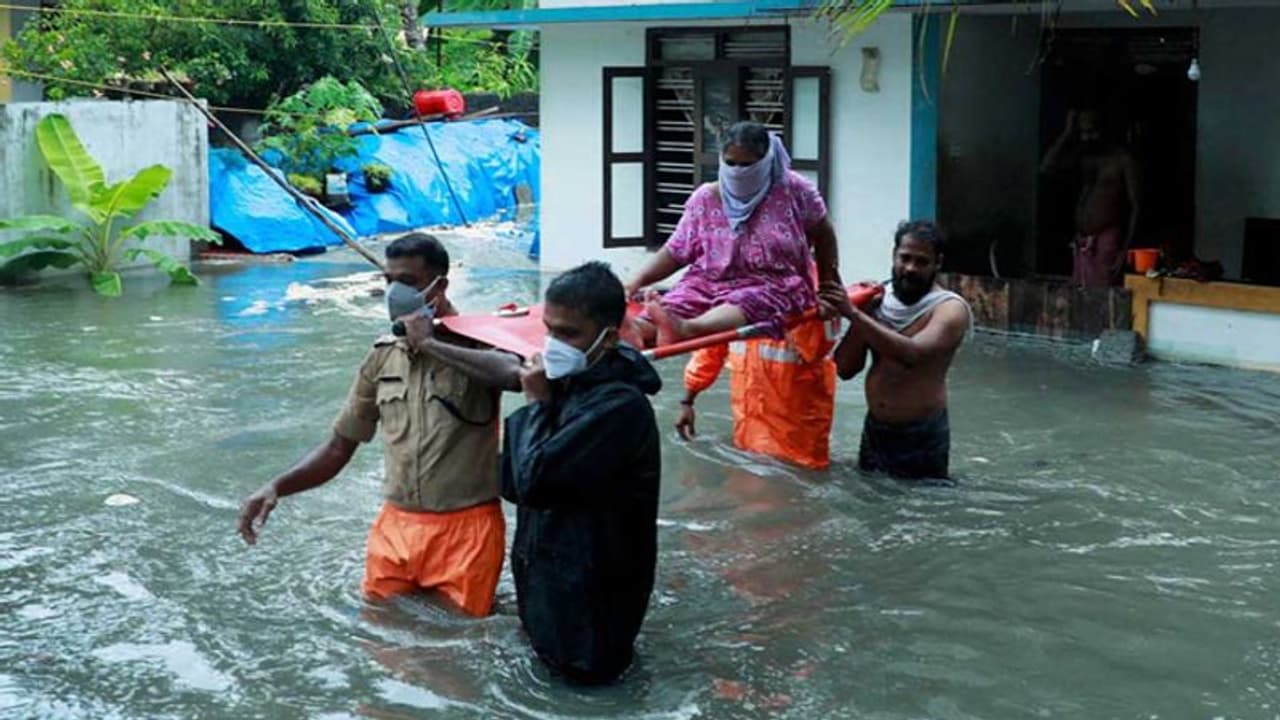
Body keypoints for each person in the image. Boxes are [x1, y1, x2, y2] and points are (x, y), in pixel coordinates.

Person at [236, 232, 522, 617]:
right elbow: (340, 446)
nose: (395, 292)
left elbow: (515, 374)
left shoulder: (476, 343)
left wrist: (431, 344)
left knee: (457, 651)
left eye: (408, 282)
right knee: (379, 636)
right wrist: (278, 486)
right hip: (396, 525)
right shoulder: (383, 356)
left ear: (440, 286)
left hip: (467, 530)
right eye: (390, 281)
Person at [502, 261, 662, 685]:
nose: (553, 344)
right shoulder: (569, 387)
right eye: (549, 330)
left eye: (568, 334)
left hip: (592, 600)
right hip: (546, 583)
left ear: (608, 337)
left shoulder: (620, 407)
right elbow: (511, 484)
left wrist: (536, 406)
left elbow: (533, 482)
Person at [624, 121, 840, 347]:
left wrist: (828, 287)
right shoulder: (705, 198)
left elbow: (824, 234)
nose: (738, 172)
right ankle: (637, 329)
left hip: (773, 284)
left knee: (746, 301)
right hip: (709, 282)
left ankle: (687, 329)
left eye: (747, 165)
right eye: (731, 164)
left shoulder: (794, 190)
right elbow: (676, 250)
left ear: (766, 161)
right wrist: (634, 282)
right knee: (679, 301)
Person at [819, 221, 972, 482]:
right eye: (905, 258)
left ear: (938, 263)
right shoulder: (878, 301)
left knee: (918, 513)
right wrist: (864, 311)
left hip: (922, 435)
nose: (910, 268)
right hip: (875, 430)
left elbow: (912, 355)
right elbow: (844, 368)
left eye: (922, 262)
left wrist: (854, 313)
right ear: (894, 255)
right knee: (870, 508)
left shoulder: (949, 309)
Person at [677, 311, 841, 470]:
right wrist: (687, 401)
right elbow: (709, 353)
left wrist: (823, 313)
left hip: (796, 451)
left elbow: (821, 347)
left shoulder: (806, 310)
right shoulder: (735, 310)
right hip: (746, 440)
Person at [1041, 108, 1141, 287]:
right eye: (1083, 133)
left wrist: (1125, 250)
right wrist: (1067, 133)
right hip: (1082, 240)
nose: (1087, 137)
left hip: (1107, 239)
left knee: (1101, 296)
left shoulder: (1123, 160)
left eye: (1091, 132)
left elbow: (1136, 207)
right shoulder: (1084, 157)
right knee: (1080, 294)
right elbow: (1047, 168)